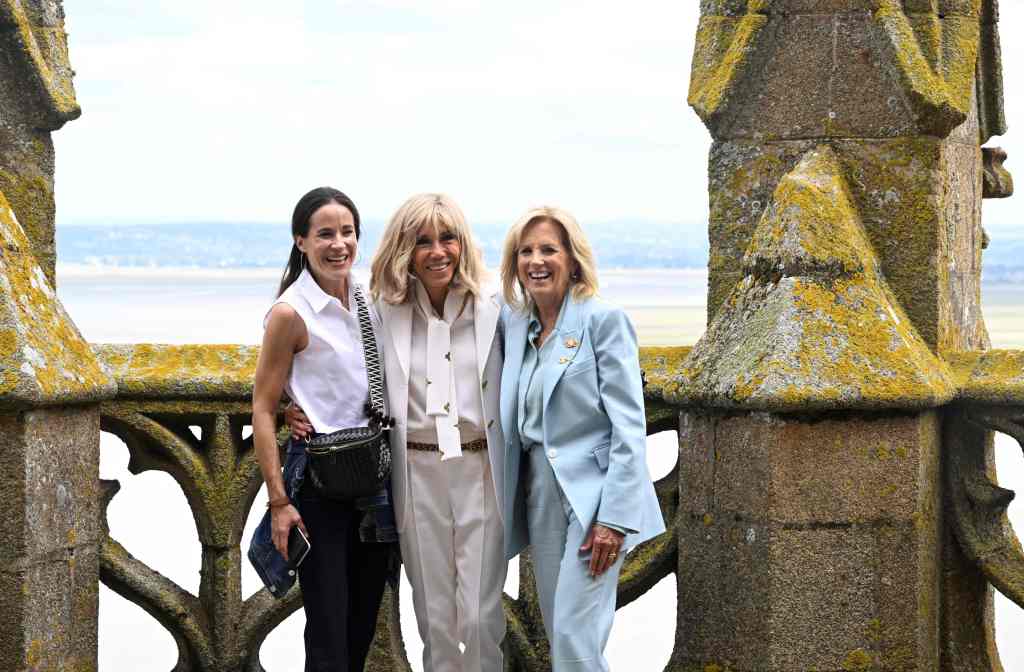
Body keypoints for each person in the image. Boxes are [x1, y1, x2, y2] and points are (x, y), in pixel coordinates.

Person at [290, 193, 506, 672]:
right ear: (404, 249)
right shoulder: (381, 310)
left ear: (463, 244)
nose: (437, 251)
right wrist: (290, 402)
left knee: (479, 616)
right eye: (423, 241)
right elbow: (326, 360)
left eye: (447, 238)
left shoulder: (497, 308)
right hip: (415, 473)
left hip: (482, 473)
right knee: (434, 618)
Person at [497, 206, 665, 671]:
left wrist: (614, 518)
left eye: (549, 249)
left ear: (573, 259)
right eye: (525, 251)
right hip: (540, 493)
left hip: (594, 498)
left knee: (576, 636)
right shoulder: (514, 325)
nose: (536, 260)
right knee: (561, 631)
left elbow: (629, 427)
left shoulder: (603, 320)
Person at [252, 187, 392, 672]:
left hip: (375, 482)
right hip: (319, 487)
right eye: (325, 234)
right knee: (328, 633)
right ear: (301, 242)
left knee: (360, 629)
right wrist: (278, 502)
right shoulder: (291, 314)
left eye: (348, 232)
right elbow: (264, 409)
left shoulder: (371, 297)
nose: (339, 244)